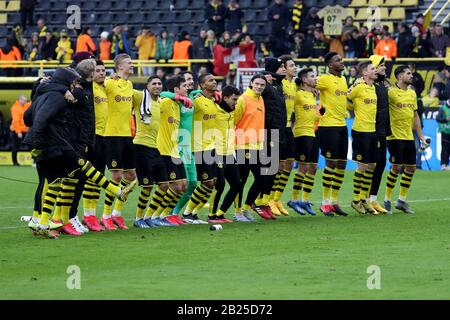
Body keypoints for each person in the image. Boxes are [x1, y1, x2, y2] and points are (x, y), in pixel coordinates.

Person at [23, 68, 133, 238]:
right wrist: (40, 141)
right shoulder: (56, 97)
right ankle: (116, 191)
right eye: (73, 83)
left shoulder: (43, 94)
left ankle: (42, 222)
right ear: (66, 82)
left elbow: (27, 117)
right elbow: (40, 120)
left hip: (45, 144)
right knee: (82, 163)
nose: (75, 86)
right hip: (52, 143)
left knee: (55, 182)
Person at [384, 66, 429, 214]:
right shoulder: (390, 92)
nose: (412, 75)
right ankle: (387, 200)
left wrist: (421, 136)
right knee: (396, 167)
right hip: (394, 136)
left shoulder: (412, 93)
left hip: (408, 136)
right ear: (399, 76)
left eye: (411, 73)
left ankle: (401, 201)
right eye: (408, 73)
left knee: (411, 168)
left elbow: (415, 115)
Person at [131, 75, 175, 228]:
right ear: (147, 86)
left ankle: (150, 217)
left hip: (155, 148)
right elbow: (126, 91)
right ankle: (138, 219)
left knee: (164, 185)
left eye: (159, 84)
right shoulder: (140, 97)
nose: (157, 86)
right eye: (154, 83)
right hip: (140, 147)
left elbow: (172, 95)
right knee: (147, 186)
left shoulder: (160, 102)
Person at [101, 54, 137, 230]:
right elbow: (95, 84)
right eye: (129, 63)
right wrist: (107, 77)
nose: (132, 65)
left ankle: (117, 214)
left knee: (131, 177)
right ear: (119, 66)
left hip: (126, 135)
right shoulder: (109, 83)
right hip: (111, 135)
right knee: (116, 176)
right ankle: (106, 215)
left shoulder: (129, 85)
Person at [182, 74, 220, 224]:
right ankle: (187, 213)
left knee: (213, 182)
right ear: (203, 85)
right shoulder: (197, 101)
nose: (214, 81)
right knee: (207, 183)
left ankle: (194, 213)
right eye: (210, 80)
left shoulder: (214, 101)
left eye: (214, 79)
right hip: (198, 147)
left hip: (211, 146)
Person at [316, 52, 349, 217]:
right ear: (330, 65)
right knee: (331, 163)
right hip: (328, 127)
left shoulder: (343, 80)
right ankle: (325, 202)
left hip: (342, 126)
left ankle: (334, 201)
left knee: (342, 165)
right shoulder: (324, 79)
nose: (341, 62)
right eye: (338, 60)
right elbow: (310, 86)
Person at [233, 74, 267, 222]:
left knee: (262, 178)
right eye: (257, 84)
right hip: (243, 145)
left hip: (257, 145)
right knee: (242, 180)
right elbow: (233, 121)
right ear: (251, 83)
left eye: (262, 85)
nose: (259, 87)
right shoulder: (242, 99)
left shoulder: (260, 99)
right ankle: (238, 212)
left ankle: (246, 208)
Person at [348, 61, 379, 215]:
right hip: (361, 131)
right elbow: (346, 99)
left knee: (372, 166)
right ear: (365, 73)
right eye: (372, 69)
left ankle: (364, 199)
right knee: (362, 166)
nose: (376, 71)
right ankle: (356, 200)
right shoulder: (358, 86)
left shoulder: (372, 87)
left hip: (372, 131)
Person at [82, 60, 109, 231]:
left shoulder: (106, 88)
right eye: (98, 70)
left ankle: (91, 215)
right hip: (93, 137)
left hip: (105, 136)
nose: (101, 73)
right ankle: (87, 214)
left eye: (103, 70)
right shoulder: (89, 88)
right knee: (90, 178)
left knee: (98, 178)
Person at [288, 68, 319, 216]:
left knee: (313, 168)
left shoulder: (312, 95)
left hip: (312, 133)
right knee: (302, 168)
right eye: (313, 76)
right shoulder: (298, 94)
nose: (316, 78)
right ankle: (294, 200)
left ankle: (305, 200)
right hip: (301, 134)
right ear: (305, 80)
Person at [208, 85, 241, 222]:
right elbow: (196, 95)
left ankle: (221, 213)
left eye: (237, 99)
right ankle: (211, 215)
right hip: (217, 153)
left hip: (229, 154)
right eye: (234, 99)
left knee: (237, 185)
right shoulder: (214, 108)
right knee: (220, 186)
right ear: (225, 97)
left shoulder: (233, 111)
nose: (236, 102)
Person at [367, 55, 390, 214]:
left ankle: (373, 199)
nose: (384, 68)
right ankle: (364, 199)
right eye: (381, 65)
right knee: (372, 164)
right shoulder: (369, 85)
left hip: (383, 129)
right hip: (373, 129)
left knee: (381, 163)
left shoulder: (382, 84)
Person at [9, 95, 29, 166]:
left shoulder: (24, 106)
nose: (25, 102)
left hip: (24, 130)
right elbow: (15, 121)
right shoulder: (16, 108)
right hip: (16, 131)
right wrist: (18, 132)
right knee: (15, 146)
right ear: (20, 100)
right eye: (24, 100)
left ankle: (34, 160)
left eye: (26, 100)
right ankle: (15, 162)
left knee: (30, 145)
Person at [437, 99, 450, 170]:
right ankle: (443, 164)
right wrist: (446, 119)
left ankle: (447, 164)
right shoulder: (443, 108)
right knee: (445, 148)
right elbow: (438, 118)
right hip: (445, 131)